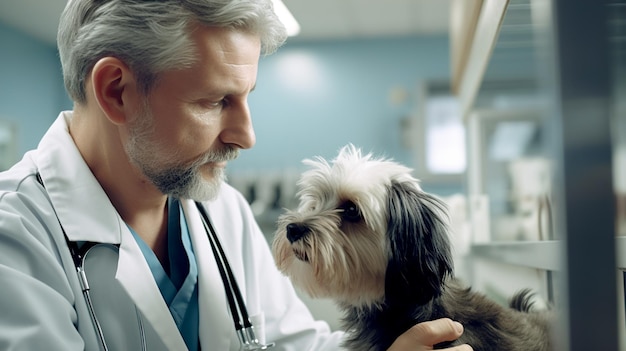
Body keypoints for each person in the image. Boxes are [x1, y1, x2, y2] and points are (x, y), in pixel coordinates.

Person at [0, 0, 473, 350]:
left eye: (247, 97)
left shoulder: (220, 209)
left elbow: (292, 344)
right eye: (214, 101)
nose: (246, 136)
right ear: (117, 90)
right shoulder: (15, 238)